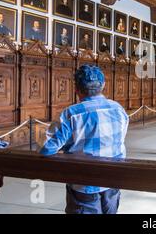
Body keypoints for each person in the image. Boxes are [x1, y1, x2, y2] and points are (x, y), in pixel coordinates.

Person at [39, 65, 129, 214]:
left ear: (77, 89)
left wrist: (68, 149)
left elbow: (47, 147)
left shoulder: (72, 114)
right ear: (103, 85)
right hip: (113, 178)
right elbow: (119, 140)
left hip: (84, 182)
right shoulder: (118, 109)